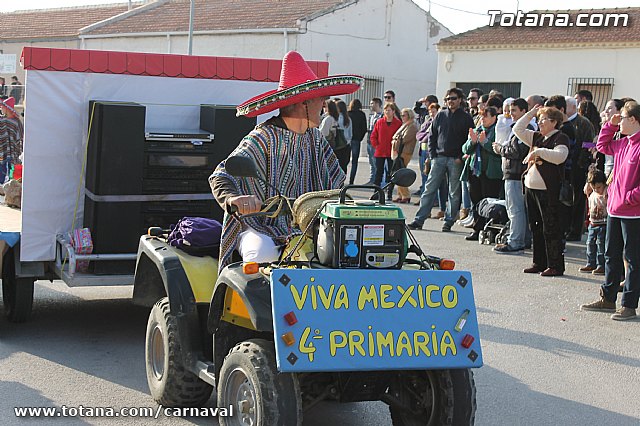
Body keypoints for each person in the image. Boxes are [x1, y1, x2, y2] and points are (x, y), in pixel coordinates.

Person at [209, 51, 362, 269]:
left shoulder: (315, 139)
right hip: (261, 225)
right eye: (320, 98)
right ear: (303, 103)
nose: (324, 103)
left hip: (309, 227)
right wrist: (234, 199)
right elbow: (221, 175)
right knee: (261, 252)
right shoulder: (263, 137)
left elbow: (337, 185)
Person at [581, 101, 640, 321]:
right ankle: (608, 298)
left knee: (633, 259)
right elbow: (602, 146)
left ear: (633, 119)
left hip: (634, 213)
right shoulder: (624, 143)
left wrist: (627, 198)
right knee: (610, 255)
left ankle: (629, 304)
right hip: (615, 209)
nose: (619, 120)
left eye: (622, 117)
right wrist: (611, 126)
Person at [514, 106, 570, 277]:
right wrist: (530, 113)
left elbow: (560, 156)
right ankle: (539, 262)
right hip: (531, 189)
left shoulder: (561, 137)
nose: (539, 123)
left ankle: (555, 265)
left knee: (550, 228)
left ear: (554, 122)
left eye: (543, 119)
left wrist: (538, 152)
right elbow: (518, 129)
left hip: (548, 191)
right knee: (536, 227)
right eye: (539, 120)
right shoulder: (537, 137)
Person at [408, 88, 474, 232]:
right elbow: (431, 136)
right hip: (439, 157)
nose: (451, 101)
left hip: (456, 160)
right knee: (429, 189)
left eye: (454, 98)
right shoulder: (440, 115)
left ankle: (449, 220)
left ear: (460, 100)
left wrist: (461, 157)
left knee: (454, 192)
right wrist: (432, 156)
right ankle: (419, 220)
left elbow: (470, 139)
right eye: (448, 99)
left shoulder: (466, 118)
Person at [493, 98, 532, 254]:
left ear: (524, 111)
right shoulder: (515, 128)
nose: (510, 113)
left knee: (515, 210)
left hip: (516, 175)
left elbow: (517, 151)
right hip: (513, 174)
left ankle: (515, 242)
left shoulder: (526, 128)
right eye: (509, 110)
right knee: (518, 209)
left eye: (514, 110)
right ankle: (522, 239)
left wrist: (500, 149)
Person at [460, 106, 502, 241]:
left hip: (490, 172)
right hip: (475, 171)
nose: (482, 119)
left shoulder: (498, 130)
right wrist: (472, 141)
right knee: (476, 200)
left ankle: (490, 229)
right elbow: (465, 149)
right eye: (481, 116)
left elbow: (498, 150)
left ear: (494, 117)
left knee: (490, 201)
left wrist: (485, 143)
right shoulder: (478, 130)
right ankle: (477, 229)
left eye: (485, 116)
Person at [579, 167, 608, 275]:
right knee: (590, 243)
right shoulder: (591, 193)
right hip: (593, 222)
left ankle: (601, 265)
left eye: (598, 187)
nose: (596, 190)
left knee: (601, 245)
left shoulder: (606, 192)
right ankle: (591, 263)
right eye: (593, 187)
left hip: (603, 223)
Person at [371, 102, 401, 192]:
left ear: (393, 111)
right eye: (386, 110)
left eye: (389, 110)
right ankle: (376, 191)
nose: (387, 112)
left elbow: (400, 137)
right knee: (378, 172)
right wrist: (376, 145)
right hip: (380, 151)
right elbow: (373, 135)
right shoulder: (379, 122)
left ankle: (389, 191)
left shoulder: (398, 123)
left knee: (390, 172)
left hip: (392, 151)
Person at [391, 108, 418, 203]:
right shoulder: (405, 125)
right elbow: (396, 137)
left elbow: (404, 139)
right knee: (397, 173)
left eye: (404, 115)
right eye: (401, 115)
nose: (402, 117)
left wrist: (396, 139)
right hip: (399, 152)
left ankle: (406, 195)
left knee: (401, 174)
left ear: (409, 115)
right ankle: (400, 194)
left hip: (405, 152)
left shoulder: (412, 126)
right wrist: (396, 139)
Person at [0, 97, 24, 184]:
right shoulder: (2, 120)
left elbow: (21, 137)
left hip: (14, 152)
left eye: (2, 107)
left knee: (12, 173)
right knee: (1, 172)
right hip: (2, 151)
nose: (1, 108)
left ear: (7, 108)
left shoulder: (16, 122)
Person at [347, 99, 367, 185]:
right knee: (355, 161)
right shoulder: (361, 114)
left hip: (347, 139)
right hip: (356, 140)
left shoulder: (348, 114)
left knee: (345, 160)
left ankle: (342, 178)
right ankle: (351, 180)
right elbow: (364, 128)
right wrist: (360, 138)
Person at [365, 97, 383, 184]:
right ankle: (372, 179)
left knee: (376, 162)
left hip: (376, 142)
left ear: (377, 104)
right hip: (369, 141)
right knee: (371, 161)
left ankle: (376, 180)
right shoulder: (372, 116)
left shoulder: (381, 116)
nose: (370, 105)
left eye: (372, 103)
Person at [335, 100, 352, 172]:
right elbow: (350, 133)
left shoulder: (336, 118)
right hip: (346, 143)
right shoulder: (348, 118)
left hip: (338, 143)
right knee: (344, 164)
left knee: (337, 164)